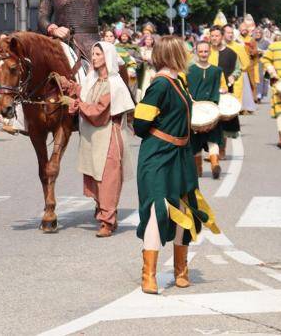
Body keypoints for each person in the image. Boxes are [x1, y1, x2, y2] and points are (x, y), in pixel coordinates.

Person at [133, 36, 219, 294]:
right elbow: (139, 125)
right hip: (158, 156)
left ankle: (181, 270)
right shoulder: (159, 85)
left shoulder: (178, 82)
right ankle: (148, 275)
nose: (188, 55)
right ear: (173, 56)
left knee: (185, 209)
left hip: (180, 154)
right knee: (158, 209)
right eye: (184, 52)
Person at [62, 41, 135, 237]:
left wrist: (78, 104)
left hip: (108, 134)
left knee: (108, 179)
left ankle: (107, 221)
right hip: (93, 136)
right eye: (93, 54)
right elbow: (85, 92)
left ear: (107, 58)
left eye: (97, 54)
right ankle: (106, 212)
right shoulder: (92, 78)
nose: (93, 57)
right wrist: (68, 85)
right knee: (95, 175)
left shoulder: (115, 84)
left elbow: (99, 112)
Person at [186, 41, 227, 179]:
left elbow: (223, 87)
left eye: (206, 51)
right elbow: (185, 88)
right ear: (196, 52)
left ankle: (215, 165)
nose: (203, 54)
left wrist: (223, 92)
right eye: (201, 51)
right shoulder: (189, 70)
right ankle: (198, 168)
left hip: (211, 110)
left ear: (210, 52)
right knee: (195, 142)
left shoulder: (217, 71)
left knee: (213, 139)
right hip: (195, 110)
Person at [207, 27, 242, 141]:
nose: (214, 38)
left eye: (217, 36)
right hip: (207, 90)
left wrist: (233, 76)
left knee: (223, 122)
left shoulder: (231, 53)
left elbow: (238, 69)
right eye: (212, 36)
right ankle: (213, 150)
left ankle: (221, 149)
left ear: (222, 37)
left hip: (224, 90)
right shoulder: (205, 51)